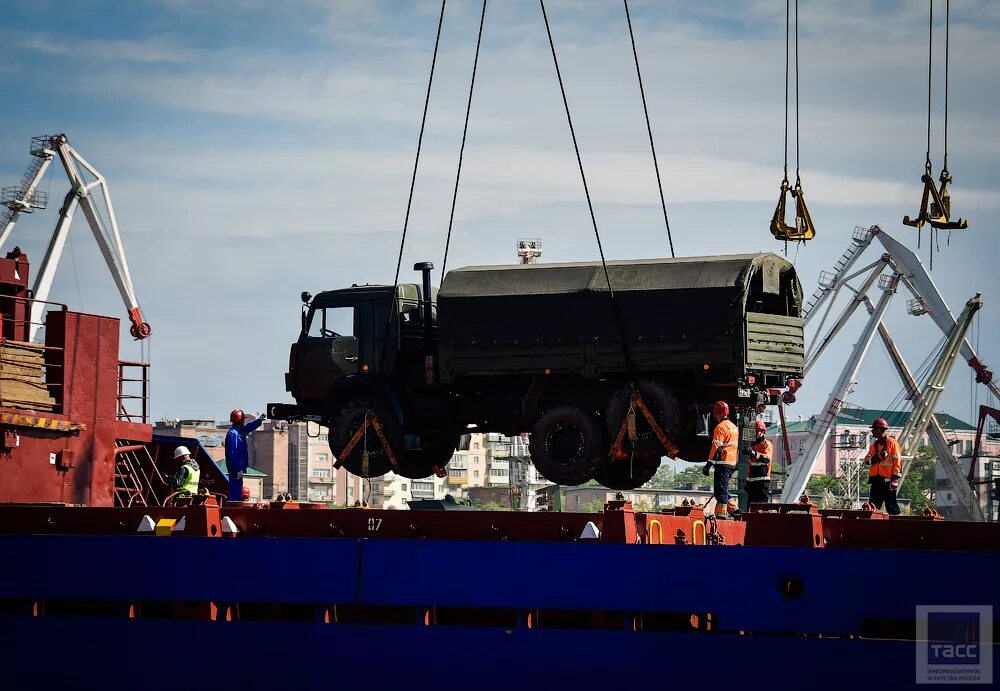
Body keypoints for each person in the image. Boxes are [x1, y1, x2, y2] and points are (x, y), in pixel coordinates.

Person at [702, 400, 738, 519]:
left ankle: (721, 515)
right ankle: (734, 510)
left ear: (717, 414)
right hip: (732, 463)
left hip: (723, 463)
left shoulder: (720, 428)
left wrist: (708, 464)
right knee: (723, 488)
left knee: (720, 491)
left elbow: (716, 448)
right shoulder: (733, 427)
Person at [864, 417, 901, 515]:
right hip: (876, 480)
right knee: (873, 507)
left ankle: (896, 525)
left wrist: (895, 479)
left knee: (891, 506)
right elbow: (866, 460)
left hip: (888, 480)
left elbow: (897, 461)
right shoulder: (874, 445)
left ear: (880, 430)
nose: (873, 431)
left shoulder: (892, 443)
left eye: (874, 429)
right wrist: (876, 457)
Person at [225, 408, 264, 502]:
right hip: (235, 467)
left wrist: (259, 421)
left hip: (237, 466)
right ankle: (233, 505)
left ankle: (235, 502)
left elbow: (248, 428)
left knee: (238, 487)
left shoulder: (238, 431)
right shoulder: (233, 434)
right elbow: (232, 452)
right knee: (235, 488)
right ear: (240, 420)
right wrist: (238, 468)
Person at [743, 420, 774, 504]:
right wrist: (748, 481)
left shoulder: (766, 444)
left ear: (762, 431)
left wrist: (753, 453)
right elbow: (750, 464)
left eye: (756, 431)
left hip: (762, 481)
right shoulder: (753, 445)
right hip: (752, 481)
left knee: (761, 506)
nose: (755, 433)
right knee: (751, 506)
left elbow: (766, 459)